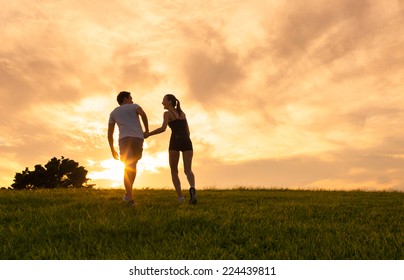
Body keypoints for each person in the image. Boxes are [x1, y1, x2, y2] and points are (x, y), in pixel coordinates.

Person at [145, 94, 197, 204]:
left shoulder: (167, 113)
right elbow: (188, 132)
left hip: (175, 141)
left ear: (169, 101)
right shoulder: (183, 114)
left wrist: (149, 134)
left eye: (163, 100)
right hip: (187, 141)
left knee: (174, 171)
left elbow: (163, 128)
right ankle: (192, 188)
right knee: (188, 170)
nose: (162, 103)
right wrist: (186, 140)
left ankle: (181, 198)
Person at [108, 91, 149, 206]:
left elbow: (109, 133)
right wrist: (146, 130)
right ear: (125, 99)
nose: (132, 100)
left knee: (128, 167)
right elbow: (144, 115)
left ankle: (128, 196)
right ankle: (129, 198)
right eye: (131, 98)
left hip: (124, 139)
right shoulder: (135, 106)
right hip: (138, 138)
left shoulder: (113, 112)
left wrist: (112, 149)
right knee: (133, 166)